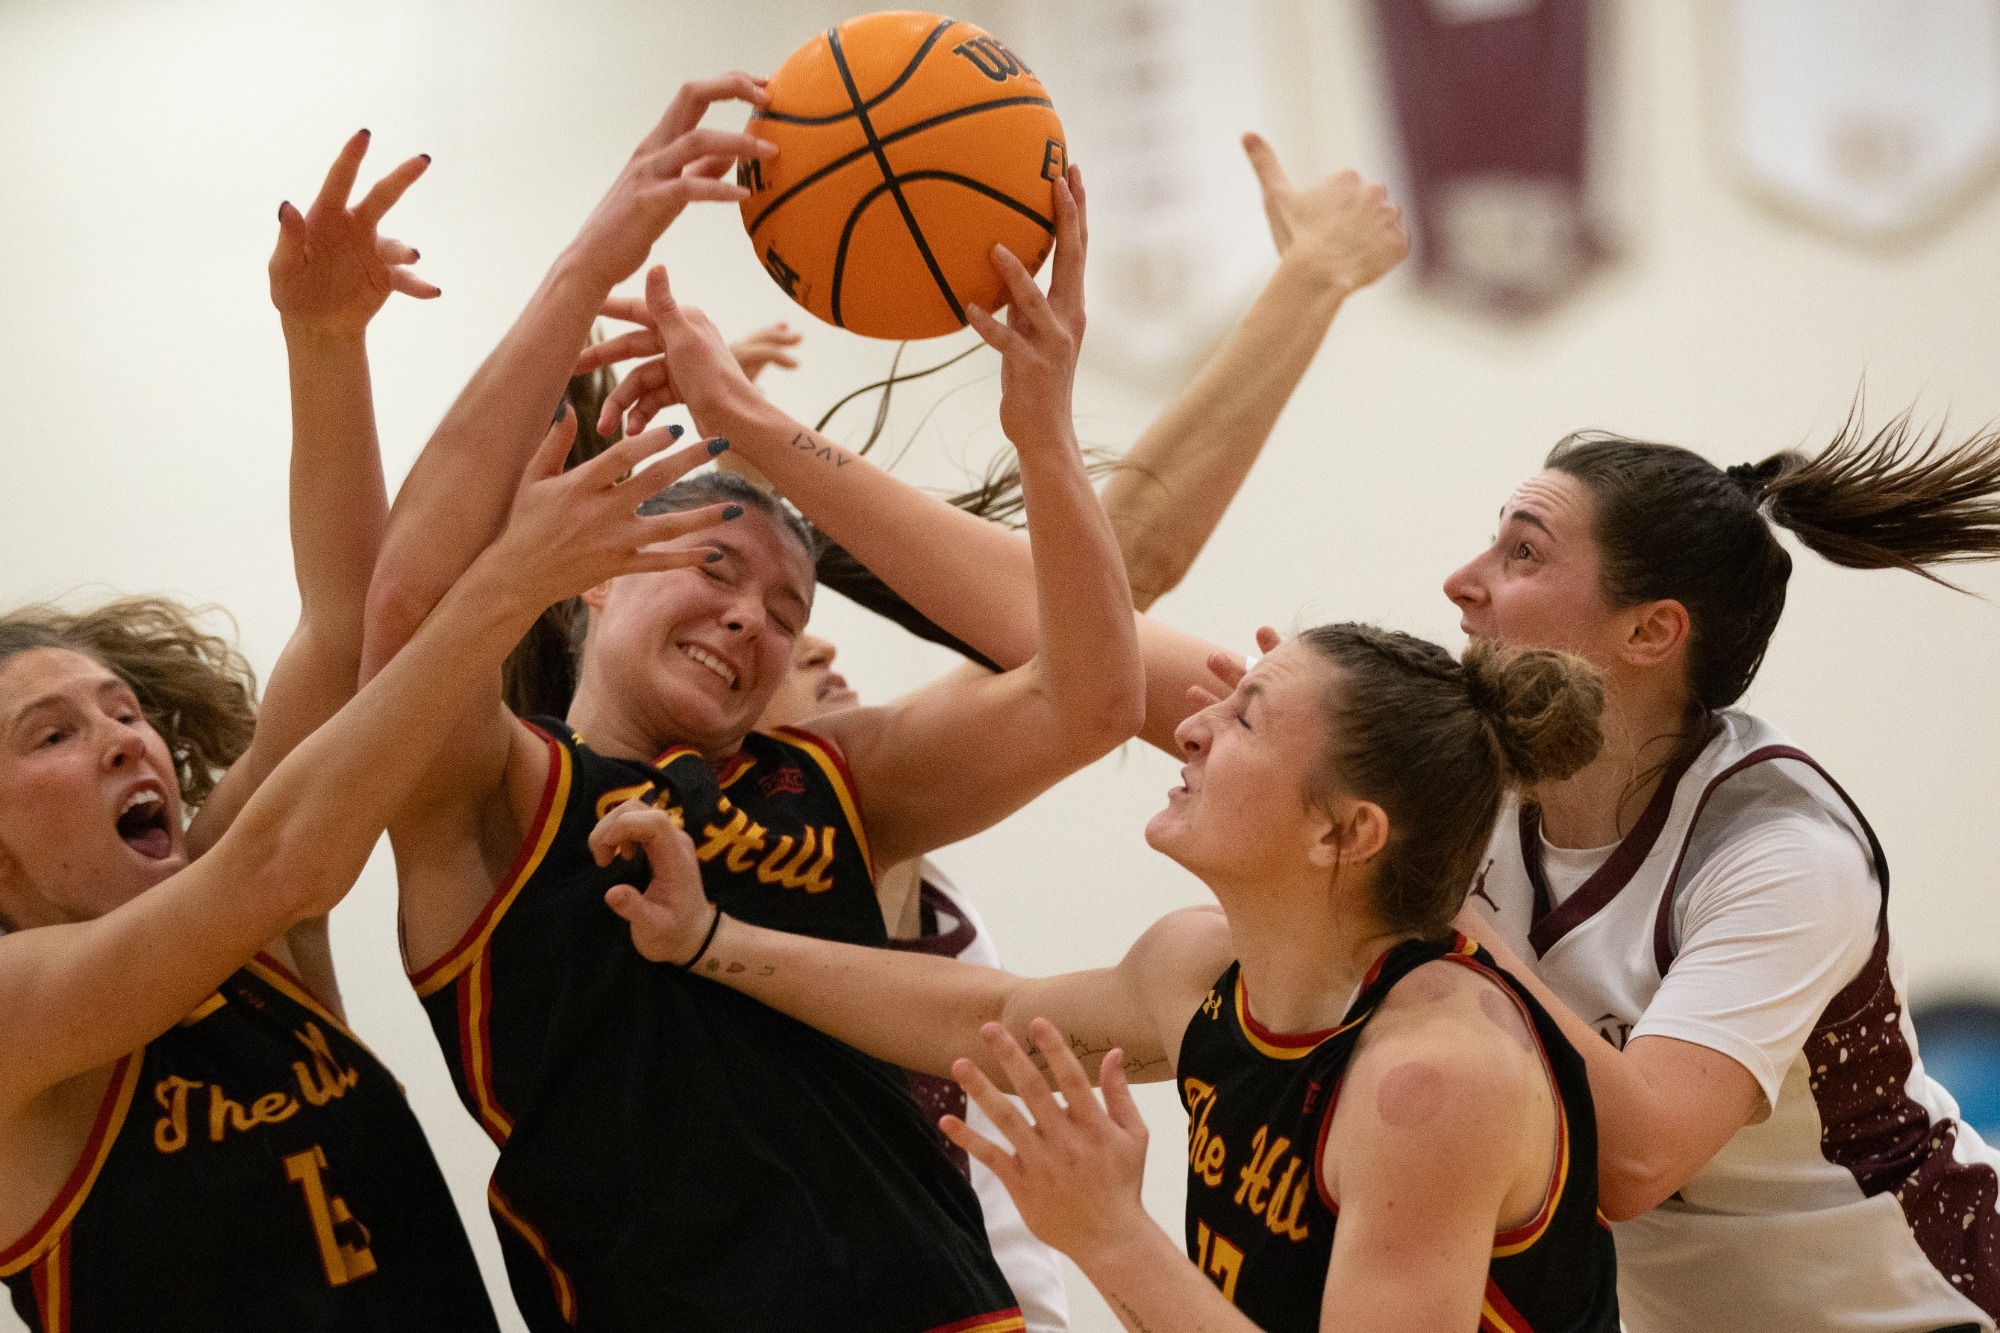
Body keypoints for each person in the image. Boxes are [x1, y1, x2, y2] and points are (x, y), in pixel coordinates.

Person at [633, 258, 2000, 1333]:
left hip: (1905, 1304)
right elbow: (1076, 652)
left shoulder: (1768, 849)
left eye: (1519, 550)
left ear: (1652, 634)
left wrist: (1460, 919)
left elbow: (1639, 1155)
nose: (1463, 576)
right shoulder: (1416, 766)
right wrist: (759, 433)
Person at [357, 76, 1144, 1331]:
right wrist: (597, 254)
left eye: (786, 613)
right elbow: (402, 615)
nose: (750, 619)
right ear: (596, 581)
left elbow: (1094, 700)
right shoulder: (497, 799)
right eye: (715, 569)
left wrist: (1041, 433)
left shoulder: (831, 782)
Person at [0, 133, 693, 1331]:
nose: (127, 741)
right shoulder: (19, 1016)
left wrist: (324, 345)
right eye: (51, 735)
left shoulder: (243, 927)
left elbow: (340, 636)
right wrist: (500, 592)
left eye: (124, 710)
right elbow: (292, 860)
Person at [592, 623, 1621, 1333]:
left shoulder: (1434, 1082)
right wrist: (707, 939)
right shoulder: (1204, 966)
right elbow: (994, 1013)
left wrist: (1110, 1235)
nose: (1190, 726)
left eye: (1246, 718)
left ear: (1343, 831)